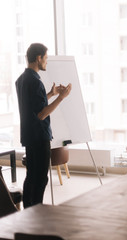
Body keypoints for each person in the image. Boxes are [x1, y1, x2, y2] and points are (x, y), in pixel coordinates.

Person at [16, 43, 72, 208]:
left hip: (28, 136)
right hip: (40, 137)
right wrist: (61, 97)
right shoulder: (36, 82)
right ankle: (36, 211)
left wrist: (50, 94)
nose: (46, 62)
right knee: (41, 178)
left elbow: (33, 106)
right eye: (46, 58)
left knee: (31, 176)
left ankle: (28, 211)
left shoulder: (22, 80)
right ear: (38, 58)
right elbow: (41, 114)